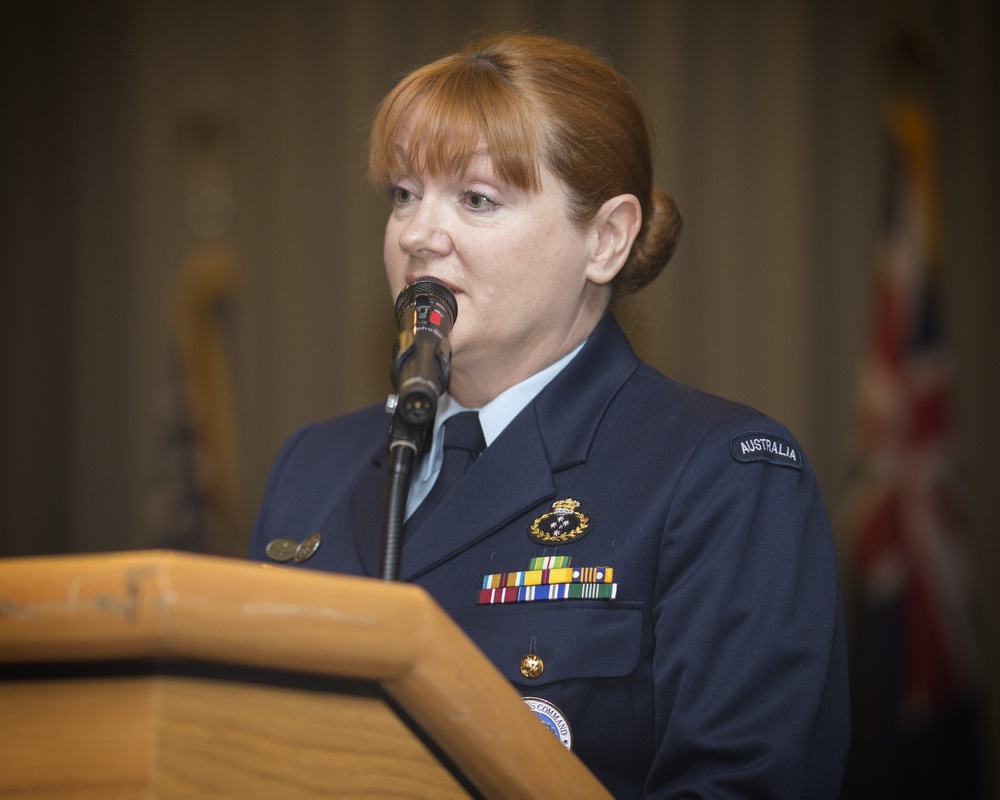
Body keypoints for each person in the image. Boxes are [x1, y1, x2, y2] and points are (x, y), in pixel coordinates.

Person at [250, 32, 849, 798]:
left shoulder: (724, 477)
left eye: (476, 199)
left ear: (605, 239)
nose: (418, 235)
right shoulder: (313, 467)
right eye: (404, 193)